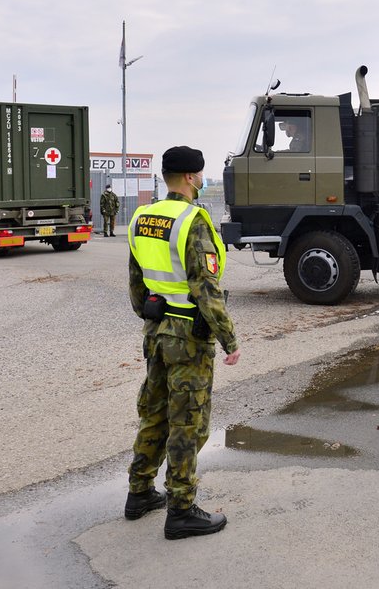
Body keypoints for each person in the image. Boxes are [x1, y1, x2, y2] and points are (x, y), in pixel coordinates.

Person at [123, 146, 241, 539]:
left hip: (156, 334)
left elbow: (136, 281)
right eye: (201, 174)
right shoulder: (193, 220)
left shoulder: (142, 216)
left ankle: (139, 492)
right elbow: (204, 287)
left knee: (154, 412)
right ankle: (182, 509)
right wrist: (229, 339)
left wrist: (149, 316)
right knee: (187, 421)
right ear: (192, 177)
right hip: (189, 336)